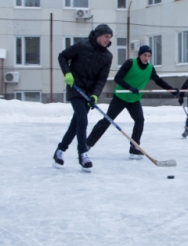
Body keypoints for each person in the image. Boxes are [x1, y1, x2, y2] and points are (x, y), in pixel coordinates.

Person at [86, 45, 179, 160]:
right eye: (144, 55)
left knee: (140, 120)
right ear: (139, 55)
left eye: (149, 56)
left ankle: (134, 147)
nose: (146, 58)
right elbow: (117, 78)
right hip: (120, 97)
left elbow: (158, 81)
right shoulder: (130, 63)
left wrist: (171, 90)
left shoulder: (150, 68)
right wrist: (130, 87)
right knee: (107, 120)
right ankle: (87, 144)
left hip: (134, 100)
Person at [53, 24, 114, 171]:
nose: (108, 40)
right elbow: (62, 56)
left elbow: (101, 79)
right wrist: (67, 74)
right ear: (98, 35)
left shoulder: (107, 56)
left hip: (88, 92)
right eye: (106, 36)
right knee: (82, 118)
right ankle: (83, 153)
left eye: (110, 37)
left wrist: (94, 95)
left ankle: (60, 150)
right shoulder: (82, 46)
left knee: (76, 124)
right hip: (75, 88)